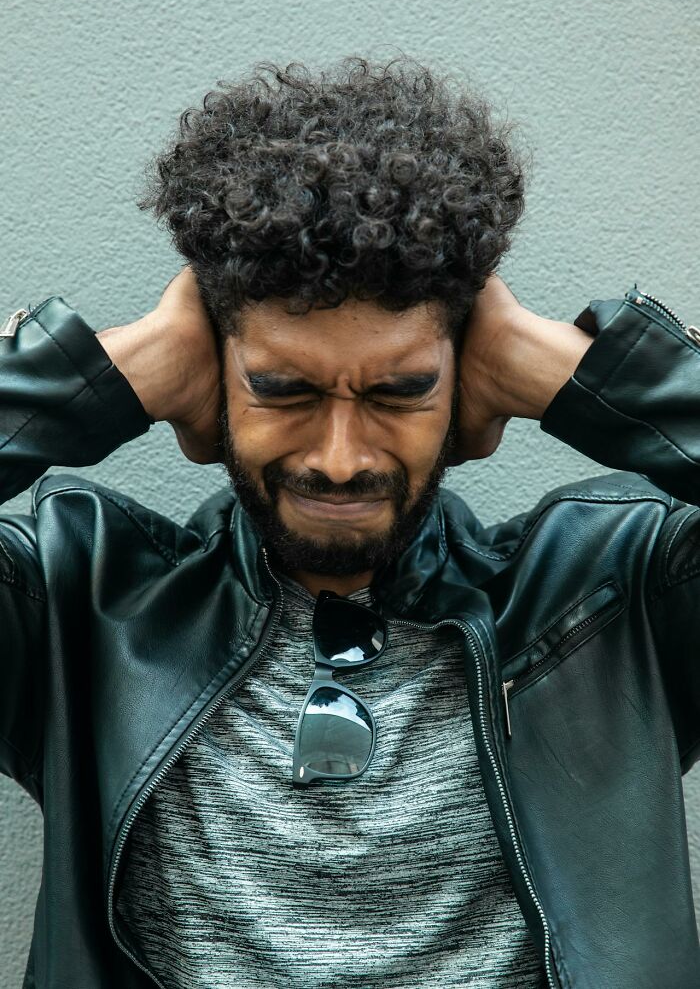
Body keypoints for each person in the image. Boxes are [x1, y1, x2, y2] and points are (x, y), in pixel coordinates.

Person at [2, 56, 699, 989]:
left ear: (470, 380)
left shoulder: (620, 597)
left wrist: (573, 373)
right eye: (282, 389)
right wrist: (105, 374)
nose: (340, 455)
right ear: (210, 379)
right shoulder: (72, 598)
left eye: (401, 391)